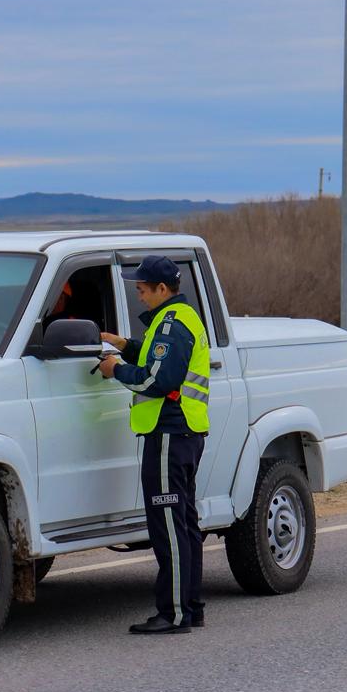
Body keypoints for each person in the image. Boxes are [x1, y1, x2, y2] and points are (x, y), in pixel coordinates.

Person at [98, 255, 211, 634]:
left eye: (143, 289)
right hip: (182, 433)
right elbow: (153, 358)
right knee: (183, 523)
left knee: (168, 526)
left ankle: (174, 613)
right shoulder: (175, 318)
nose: (139, 295)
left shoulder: (173, 324)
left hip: (169, 433)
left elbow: (157, 381)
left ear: (163, 289)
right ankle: (190, 607)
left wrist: (116, 370)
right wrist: (123, 344)